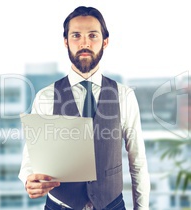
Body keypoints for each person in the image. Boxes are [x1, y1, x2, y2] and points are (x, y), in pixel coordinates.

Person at [18, 6, 150, 210]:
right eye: (76, 35)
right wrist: (28, 178)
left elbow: (138, 162)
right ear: (66, 42)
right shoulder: (45, 97)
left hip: (112, 205)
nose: (85, 43)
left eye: (93, 35)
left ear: (105, 41)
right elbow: (31, 156)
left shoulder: (125, 96)